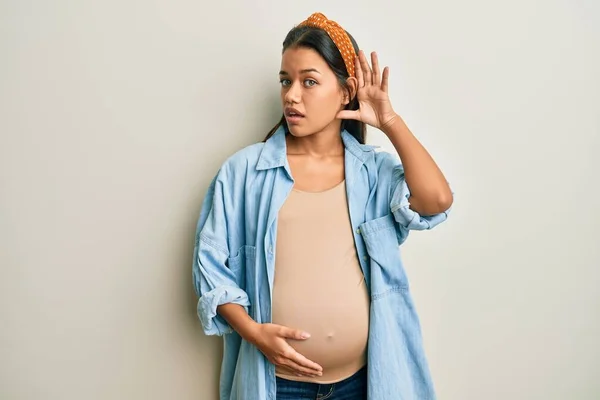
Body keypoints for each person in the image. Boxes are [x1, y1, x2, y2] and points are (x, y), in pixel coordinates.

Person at [192, 12, 453, 400]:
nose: (291, 95)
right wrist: (254, 333)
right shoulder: (244, 172)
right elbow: (211, 269)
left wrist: (390, 120)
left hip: (364, 383)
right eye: (286, 81)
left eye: (309, 81)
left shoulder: (373, 172)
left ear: (346, 93)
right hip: (277, 385)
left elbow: (436, 201)